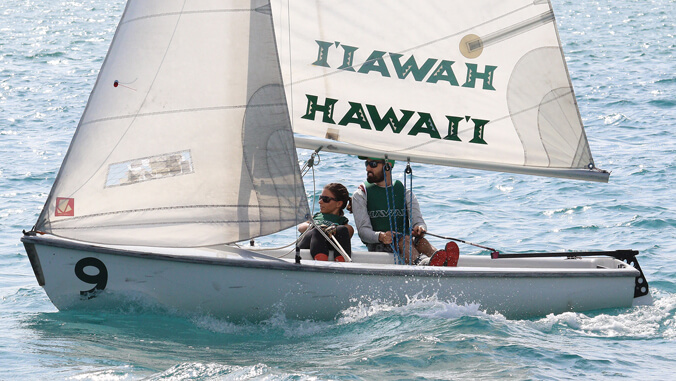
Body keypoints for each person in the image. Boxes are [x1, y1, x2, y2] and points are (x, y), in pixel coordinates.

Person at [351, 157, 458, 266]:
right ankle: (421, 264)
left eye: (373, 164)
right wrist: (381, 236)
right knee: (402, 241)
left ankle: (444, 261)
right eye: (366, 164)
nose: (367, 168)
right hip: (380, 244)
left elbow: (418, 222)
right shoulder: (361, 195)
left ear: (388, 166)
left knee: (421, 242)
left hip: (406, 242)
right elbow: (363, 231)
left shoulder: (406, 193)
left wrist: (420, 228)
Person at [298, 183, 354, 261]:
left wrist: (333, 229)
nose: (320, 202)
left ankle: (341, 261)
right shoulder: (315, 217)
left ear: (339, 204)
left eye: (325, 199)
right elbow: (300, 227)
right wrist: (317, 227)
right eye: (320, 198)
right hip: (308, 243)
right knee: (319, 231)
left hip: (329, 243)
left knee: (342, 229)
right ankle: (321, 262)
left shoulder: (341, 221)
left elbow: (349, 231)